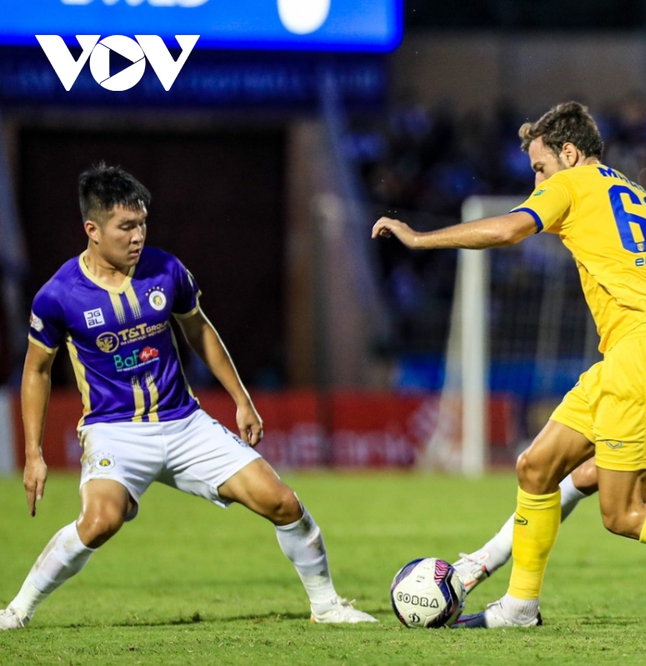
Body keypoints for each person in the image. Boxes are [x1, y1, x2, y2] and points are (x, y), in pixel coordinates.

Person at [373, 102, 646, 628]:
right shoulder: (640, 201)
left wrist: (421, 238)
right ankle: (518, 605)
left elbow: (510, 230)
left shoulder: (573, 184)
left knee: (624, 511)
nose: (538, 180)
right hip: (637, 351)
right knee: (536, 467)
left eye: (539, 168)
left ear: (569, 153)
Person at [0, 164, 375, 631]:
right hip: (114, 432)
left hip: (184, 423)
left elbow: (200, 330)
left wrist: (241, 398)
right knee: (100, 521)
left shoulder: (166, 269)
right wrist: (33, 453)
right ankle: (17, 610)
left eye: (142, 224)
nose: (137, 237)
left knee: (282, 502)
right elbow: (35, 370)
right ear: (92, 230)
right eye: (126, 227)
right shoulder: (58, 295)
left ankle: (327, 605)